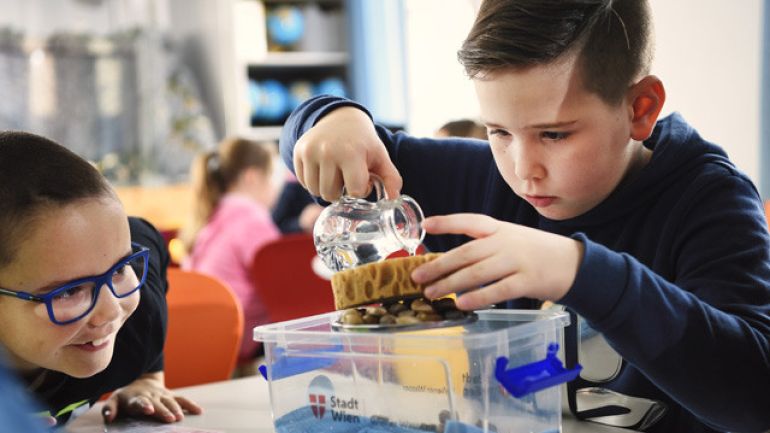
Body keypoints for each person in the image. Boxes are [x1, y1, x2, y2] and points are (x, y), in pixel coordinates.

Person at [278, 1, 770, 432]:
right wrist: (331, 118)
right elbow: (354, 148)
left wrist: (579, 270)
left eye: (554, 135)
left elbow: (755, 397)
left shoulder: (709, 202)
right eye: (499, 131)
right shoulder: (485, 178)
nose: (522, 169)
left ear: (640, 109)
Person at [0, 131, 202, 427]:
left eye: (120, 269)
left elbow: (147, 236)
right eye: (68, 292)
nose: (111, 311)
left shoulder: (137, 323)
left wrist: (148, 377)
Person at [181, 137, 280, 368]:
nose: (275, 188)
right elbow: (278, 287)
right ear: (252, 177)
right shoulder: (251, 218)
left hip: (203, 336)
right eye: (271, 178)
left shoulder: (210, 217)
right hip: (240, 337)